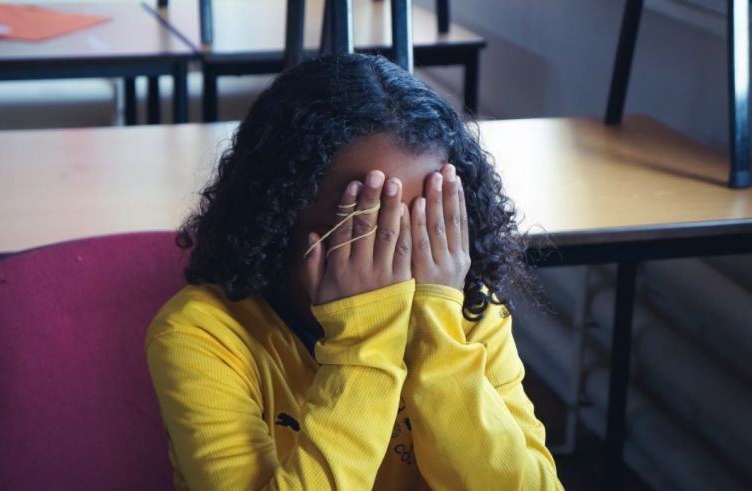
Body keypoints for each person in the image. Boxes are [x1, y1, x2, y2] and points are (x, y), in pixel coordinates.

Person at [146, 53, 563, 490]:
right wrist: (362, 341)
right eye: (364, 231)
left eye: (425, 228)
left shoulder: (464, 311)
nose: (400, 261)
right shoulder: (199, 337)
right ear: (276, 218)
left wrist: (436, 334)